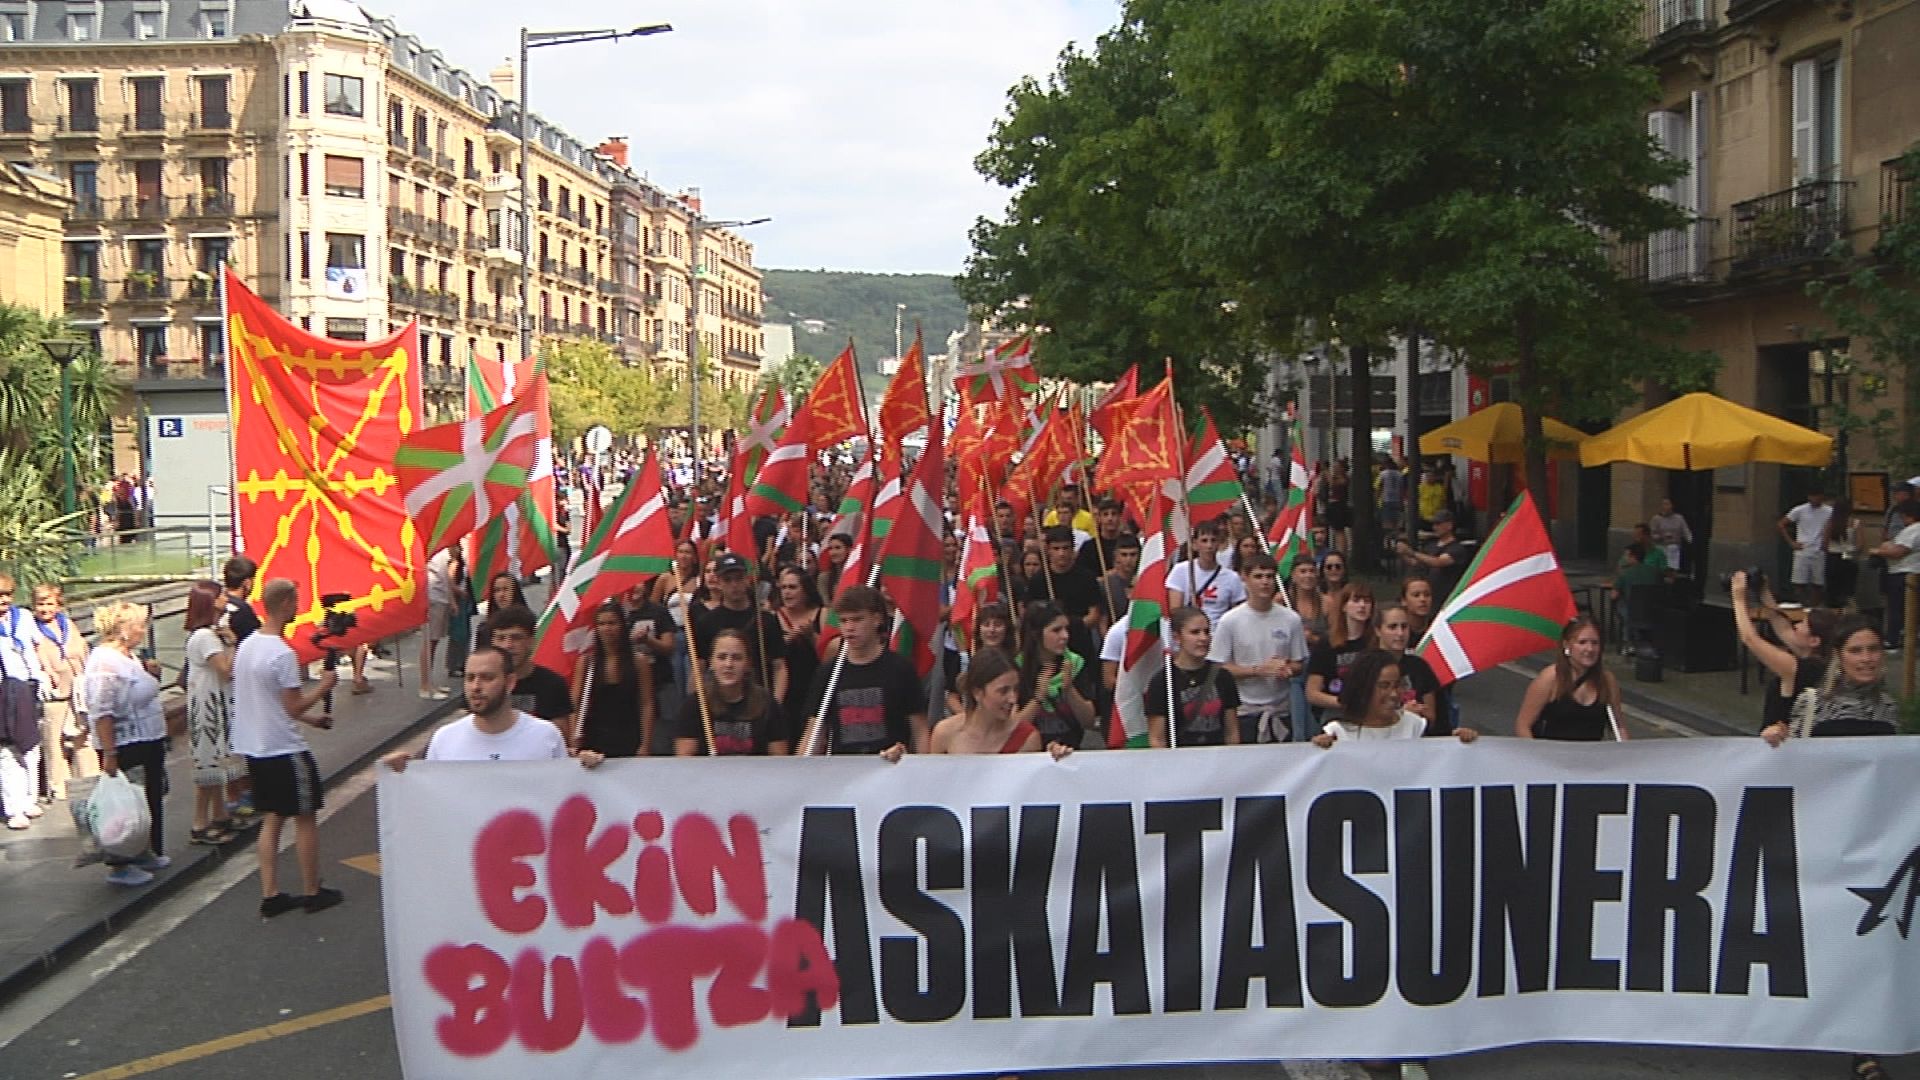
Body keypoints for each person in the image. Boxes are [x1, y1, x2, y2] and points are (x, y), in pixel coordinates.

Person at [231, 579, 343, 915]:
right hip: (283, 748)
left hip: (255, 746)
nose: (298, 608)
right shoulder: (282, 653)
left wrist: (312, 720)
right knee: (304, 816)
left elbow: (271, 701)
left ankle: (271, 894)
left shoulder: (248, 646)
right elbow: (292, 706)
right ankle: (312, 890)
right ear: (284, 603)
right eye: (295, 601)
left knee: (273, 817)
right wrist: (324, 687)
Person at [383, 646, 601, 770]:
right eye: (470, 678)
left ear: (510, 683)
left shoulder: (545, 736)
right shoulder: (444, 739)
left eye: (487, 678)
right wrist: (403, 776)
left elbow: (564, 800)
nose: (476, 687)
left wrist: (588, 771)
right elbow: (432, 804)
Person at [76, 602, 169, 883]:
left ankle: (144, 851)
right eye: (140, 625)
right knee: (124, 807)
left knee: (148, 799)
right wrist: (110, 753)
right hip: (125, 743)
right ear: (125, 630)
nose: (145, 630)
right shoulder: (104, 661)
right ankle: (120, 863)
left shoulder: (128, 657)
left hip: (148, 737)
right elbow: (102, 711)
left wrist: (152, 675)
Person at [798, 586, 926, 759]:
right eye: (844, 621)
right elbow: (814, 731)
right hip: (843, 771)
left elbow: (919, 729)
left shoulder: (900, 668)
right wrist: (799, 770)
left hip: (889, 766)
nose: (850, 627)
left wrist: (923, 768)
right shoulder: (829, 672)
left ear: (876, 619)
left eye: (857, 619)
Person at [1210, 552, 1309, 744]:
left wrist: (1287, 669)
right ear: (1244, 578)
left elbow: (1299, 662)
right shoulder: (1230, 620)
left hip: (1281, 710)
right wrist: (1257, 670)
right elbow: (1218, 667)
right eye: (1258, 576)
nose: (1265, 582)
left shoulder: (1291, 619)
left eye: (1270, 577)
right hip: (1244, 710)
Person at [1731, 570, 1834, 731]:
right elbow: (1781, 625)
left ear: (1814, 641)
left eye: (1802, 625)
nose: (1796, 626)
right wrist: (1764, 592)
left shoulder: (1804, 669)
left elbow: (1750, 639)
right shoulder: (1815, 657)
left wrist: (1738, 598)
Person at [1311, 649, 1479, 748]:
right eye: (1384, 686)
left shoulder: (1416, 725)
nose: (1393, 694)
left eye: (1397, 685)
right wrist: (1317, 749)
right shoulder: (1337, 733)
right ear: (1364, 688)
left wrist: (1461, 740)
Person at [932, 648, 1074, 757]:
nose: (1013, 699)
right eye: (1003, 691)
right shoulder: (945, 733)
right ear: (978, 692)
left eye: (1015, 689)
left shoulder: (1026, 737)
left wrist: (1052, 761)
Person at [182, 581, 240, 845]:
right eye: (221, 595)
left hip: (211, 702)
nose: (226, 597)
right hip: (208, 706)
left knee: (214, 761)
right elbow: (226, 670)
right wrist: (232, 643)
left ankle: (219, 814)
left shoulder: (206, 634)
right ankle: (199, 821)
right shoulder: (205, 637)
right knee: (207, 762)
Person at [691, 552, 788, 703]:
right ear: (719, 582)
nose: (734, 585)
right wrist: (698, 705)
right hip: (718, 701)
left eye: (738, 579)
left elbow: (779, 667)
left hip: (758, 699)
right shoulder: (706, 622)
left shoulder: (766, 620)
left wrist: (775, 704)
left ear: (747, 580)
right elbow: (699, 669)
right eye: (728, 580)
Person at [678, 628, 790, 756]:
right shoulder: (695, 705)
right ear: (711, 663)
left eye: (737, 658)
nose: (729, 664)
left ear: (748, 664)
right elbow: (685, 759)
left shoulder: (768, 704)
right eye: (721, 657)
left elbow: (779, 759)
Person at [1513, 617, 1625, 741]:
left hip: (1591, 757)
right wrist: (1536, 756)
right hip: (1552, 755)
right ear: (1567, 645)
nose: (1589, 649)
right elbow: (1523, 725)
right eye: (1582, 642)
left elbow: (1618, 726)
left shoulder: (1607, 680)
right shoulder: (1550, 678)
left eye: (1595, 643)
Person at [30, 583, 93, 803]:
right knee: (53, 739)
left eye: (49, 603)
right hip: (54, 691)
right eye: (40, 604)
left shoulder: (67, 623)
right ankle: (59, 786)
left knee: (82, 734)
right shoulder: (33, 628)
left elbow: (82, 648)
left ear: (58, 605)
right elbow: (35, 654)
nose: (45, 608)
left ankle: (90, 776)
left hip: (76, 688)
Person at [1145, 606, 1240, 748]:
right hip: (1180, 760)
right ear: (1177, 637)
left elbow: (1231, 732)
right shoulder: (1163, 681)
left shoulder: (1222, 676)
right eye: (1195, 632)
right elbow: (1157, 738)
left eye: (1207, 632)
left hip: (1217, 759)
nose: (1203, 638)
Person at [572, 600, 652, 758]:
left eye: (612, 623)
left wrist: (646, 744)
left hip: (629, 735)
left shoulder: (639, 662)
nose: (606, 629)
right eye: (601, 624)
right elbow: (576, 702)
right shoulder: (587, 662)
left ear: (622, 625)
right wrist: (573, 738)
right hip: (593, 738)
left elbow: (646, 704)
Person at [1016, 600, 1100, 751]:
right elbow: (1013, 727)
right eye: (1056, 630)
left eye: (1066, 629)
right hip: (1030, 755)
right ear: (1036, 634)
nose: (1065, 636)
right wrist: (1038, 699)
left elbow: (1089, 721)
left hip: (1070, 751)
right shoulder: (1017, 668)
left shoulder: (1075, 663)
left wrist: (1069, 690)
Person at [482, 604, 575, 731]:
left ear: (531, 641)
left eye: (516, 638)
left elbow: (559, 738)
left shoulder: (553, 684)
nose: (508, 645)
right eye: (501, 638)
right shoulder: (482, 683)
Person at [0, 573, 45, 830]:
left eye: (7, 595)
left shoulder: (24, 618)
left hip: (25, 685)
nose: (3, 600)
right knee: (7, 751)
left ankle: (30, 797)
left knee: (31, 746)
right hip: (1, 690)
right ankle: (13, 808)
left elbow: (36, 646)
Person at [1374, 603, 1449, 736]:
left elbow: (1432, 717)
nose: (1400, 633)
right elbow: (1357, 713)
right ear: (1378, 630)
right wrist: (1403, 714)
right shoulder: (1364, 665)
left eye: (1404, 627)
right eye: (1392, 627)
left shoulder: (1420, 666)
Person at [1305, 583, 1379, 717]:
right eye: (1356, 600)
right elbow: (1312, 693)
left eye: (1367, 601)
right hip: (1336, 712)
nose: (1362, 605)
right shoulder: (1327, 643)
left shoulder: (1377, 641)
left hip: (1372, 712)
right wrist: (1344, 703)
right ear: (1344, 606)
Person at [1167, 521, 1247, 629]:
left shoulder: (1231, 577)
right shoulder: (1180, 570)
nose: (1209, 546)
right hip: (1189, 634)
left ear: (1218, 544)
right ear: (1195, 544)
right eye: (1204, 541)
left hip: (1218, 634)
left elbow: (1237, 613)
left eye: (1213, 541)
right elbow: (1175, 609)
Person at [946, 602, 1014, 717]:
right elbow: (952, 697)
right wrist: (967, 717)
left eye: (997, 624)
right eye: (986, 624)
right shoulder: (965, 659)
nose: (992, 630)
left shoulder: (1014, 661)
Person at [1869, 500, 1920, 652]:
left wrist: (1878, 551)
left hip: (1904, 572)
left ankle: (1892, 640)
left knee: (1896, 608)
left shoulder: (1914, 530)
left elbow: (1898, 552)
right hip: (1910, 571)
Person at [1396, 510, 1469, 604]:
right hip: (1427, 596)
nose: (1435, 527)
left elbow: (1438, 562)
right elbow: (1416, 563)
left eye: (1438, 524)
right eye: (1434, 524)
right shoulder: (1430, 545)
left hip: (1445, 597)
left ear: (1449, 525)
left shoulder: (1457, 548)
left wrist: (1411, 552)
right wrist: (1402, 553)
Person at [1778, 488, 1835, 608]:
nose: (1815, 499)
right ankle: (1802, 605)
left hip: (1819, 551)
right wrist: (1791, 542)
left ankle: (1813, 607)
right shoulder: (1800, 510)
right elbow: (1781, 524)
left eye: (1817, 496)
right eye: (1812, 496)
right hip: (1802, 550)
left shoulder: (1829, 511)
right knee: (1799, 583)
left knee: (1818, 583)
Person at [417, 547, 454, 699]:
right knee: (429, 641)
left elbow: (447, 575)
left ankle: (430, 682)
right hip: (432, 597)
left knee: (434, 641)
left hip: (441, 597)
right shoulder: (428, 548)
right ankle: (425, 685)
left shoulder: (443, 549)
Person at [1073, 498, 1129, 580]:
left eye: (1114, 514)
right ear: (1099, 518)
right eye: (1105, 514)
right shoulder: (1089, 547)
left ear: (1120, 517)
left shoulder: (1128, 543)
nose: (1110, 518)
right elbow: (1081, 574)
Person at [444, 544, 476, 680]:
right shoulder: (453, 564)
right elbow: (450, 583)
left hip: (464, 601)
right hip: (458, 601)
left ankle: (462, 662)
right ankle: (454, 664)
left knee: (465, 634)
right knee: (458, 634)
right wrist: (459, 593)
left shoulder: (462, 562)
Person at [1102, 532, 1141, 621]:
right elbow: (1102, 619)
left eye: (1133, 554)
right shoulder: (1106, 584)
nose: (1129, 559)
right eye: (1124, 555)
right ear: (1116, 556)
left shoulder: (1145, 581)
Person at [1649, 496, 1693, 575]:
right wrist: (1661, 537)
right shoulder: (1656, 519)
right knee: (1661, 570)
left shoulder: (1679, 518)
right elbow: (1652, 534)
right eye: (1663, 504)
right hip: (1661, 547)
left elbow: (1686, 531)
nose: (1665, 506)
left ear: (1672, 505)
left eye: (1667, 504)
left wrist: (1690, 540)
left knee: (1672, 571)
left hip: (1674, 547)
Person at [1398, 577, 1436, 644]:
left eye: (1427, 595)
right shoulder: (1397, 630)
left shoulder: (1437, 626)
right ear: (1403, 600)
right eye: (1416, 595)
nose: (1422, 599)